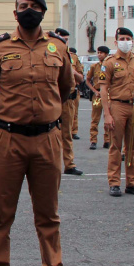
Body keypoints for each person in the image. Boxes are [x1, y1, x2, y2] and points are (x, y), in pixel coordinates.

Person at [0, 0, 75, 266]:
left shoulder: (58, 47)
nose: (27, 10)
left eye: (33, 6)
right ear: (14, 12)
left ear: (42, 12)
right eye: (22, 6)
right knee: (1, 213)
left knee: (48, 214)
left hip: (47, 139)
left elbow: (66, 87)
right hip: (9, 140)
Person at [99, 28, 134, 197]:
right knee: (116, 146)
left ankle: (132, 182)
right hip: (118, 105)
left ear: (132, 41)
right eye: (122, 38)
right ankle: (114, 182)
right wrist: (107, 114)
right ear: (116, 41)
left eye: (128, 38)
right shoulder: (110, 62)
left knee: (133, 146)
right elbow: (103, 89)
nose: (125, 41)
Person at [60, 46, 85, 175]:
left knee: (67, 133)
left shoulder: (73, 57)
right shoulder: (46, 54)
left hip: (68, 100)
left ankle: (69, 164)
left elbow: (81, 78)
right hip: (50, 100)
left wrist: (73, 72)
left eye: (65, 39)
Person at [86, 46, 110, 150]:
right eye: (98, 52)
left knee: (108, 118)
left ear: (106, 54)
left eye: (101, 53)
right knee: (95, 119)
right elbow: (87, 80)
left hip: (108, 95)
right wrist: (95, 91)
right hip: (97, 95)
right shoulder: (94, 66)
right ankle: (93, 140)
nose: (99, 54)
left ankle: (107, 140)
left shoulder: (110, 66)